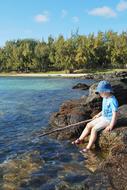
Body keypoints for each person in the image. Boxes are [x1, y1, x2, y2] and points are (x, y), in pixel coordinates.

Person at [72, 80, 119, 153]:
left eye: (101, 92)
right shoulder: (105, 98)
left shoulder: (113, 100)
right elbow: (104, 110)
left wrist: (111, 125)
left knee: (94, 129)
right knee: (89, 125)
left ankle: (88, 148)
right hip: (103, 117)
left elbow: (115, 114)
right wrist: (98, 115)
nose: (100, 94)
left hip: (109, 120)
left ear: (107, 91)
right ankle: (80, 139)